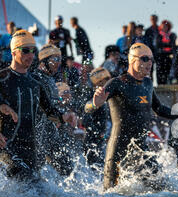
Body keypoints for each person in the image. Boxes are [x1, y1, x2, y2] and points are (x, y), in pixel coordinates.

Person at [84, 43, 178, 190]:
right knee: (110, 195)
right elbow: (87, 107)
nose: (150, 63)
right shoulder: (117, 83)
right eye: (145, 59)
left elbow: (159, 108)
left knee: (163, 189)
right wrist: (95, 104)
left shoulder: (148, 83)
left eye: (151, 59)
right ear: (132, 60)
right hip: (118, 149)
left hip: (140, 148)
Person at [0, 30, 77, 182]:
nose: (30, 55)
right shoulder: (2, 78)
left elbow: (50, 112)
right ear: (14, 52)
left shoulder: (35, 84)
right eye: (25, 50)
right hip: (6, 145)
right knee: (28, 181)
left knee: (38, 191)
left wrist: (65, 116)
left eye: (33, 51)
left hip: (30, 147)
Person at [31, 44, 75, 177]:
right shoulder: (35, 78)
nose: (58, 64)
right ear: (44, 60)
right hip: (36, 135)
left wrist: (64, 115)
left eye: (60, 60)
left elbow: (54, 105)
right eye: (55, 59)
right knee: (32, 177)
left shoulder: (50, 79)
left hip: (50, 134)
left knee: (67, 168)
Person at [83, 67, 111, 166]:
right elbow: (85, 121)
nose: (110, 81)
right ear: (99, 82)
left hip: (100, 140)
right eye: (107, 79)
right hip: (92, 142)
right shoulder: (92, 96)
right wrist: (100, 134)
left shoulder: (105, 96)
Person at [156, 20, 176, 85]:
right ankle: (160, 84)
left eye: (166, 26)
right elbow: (158, 44)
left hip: (169, 55)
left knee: (168, 70)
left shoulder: (172, 35)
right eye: (163, 26)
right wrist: (167, 44)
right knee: (160, 70)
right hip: (161, 55)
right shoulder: (159, 35)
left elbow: (173, 44)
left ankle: (168, 83)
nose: (164, 27)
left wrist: (165, 44)